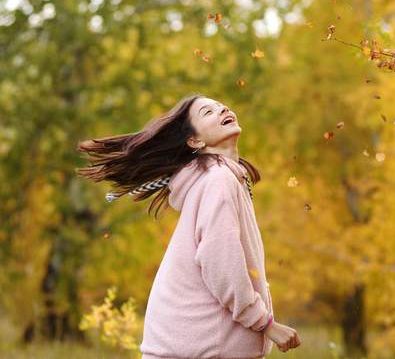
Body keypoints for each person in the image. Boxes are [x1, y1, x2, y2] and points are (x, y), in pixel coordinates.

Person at [76, 93, 301, 358]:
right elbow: (221, 262)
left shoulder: (222, 178)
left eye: (221, 106)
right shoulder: (218, 180)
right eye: (208, 112)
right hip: (202, 348)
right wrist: (265, 323)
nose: (223, 109)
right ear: (195, 140)